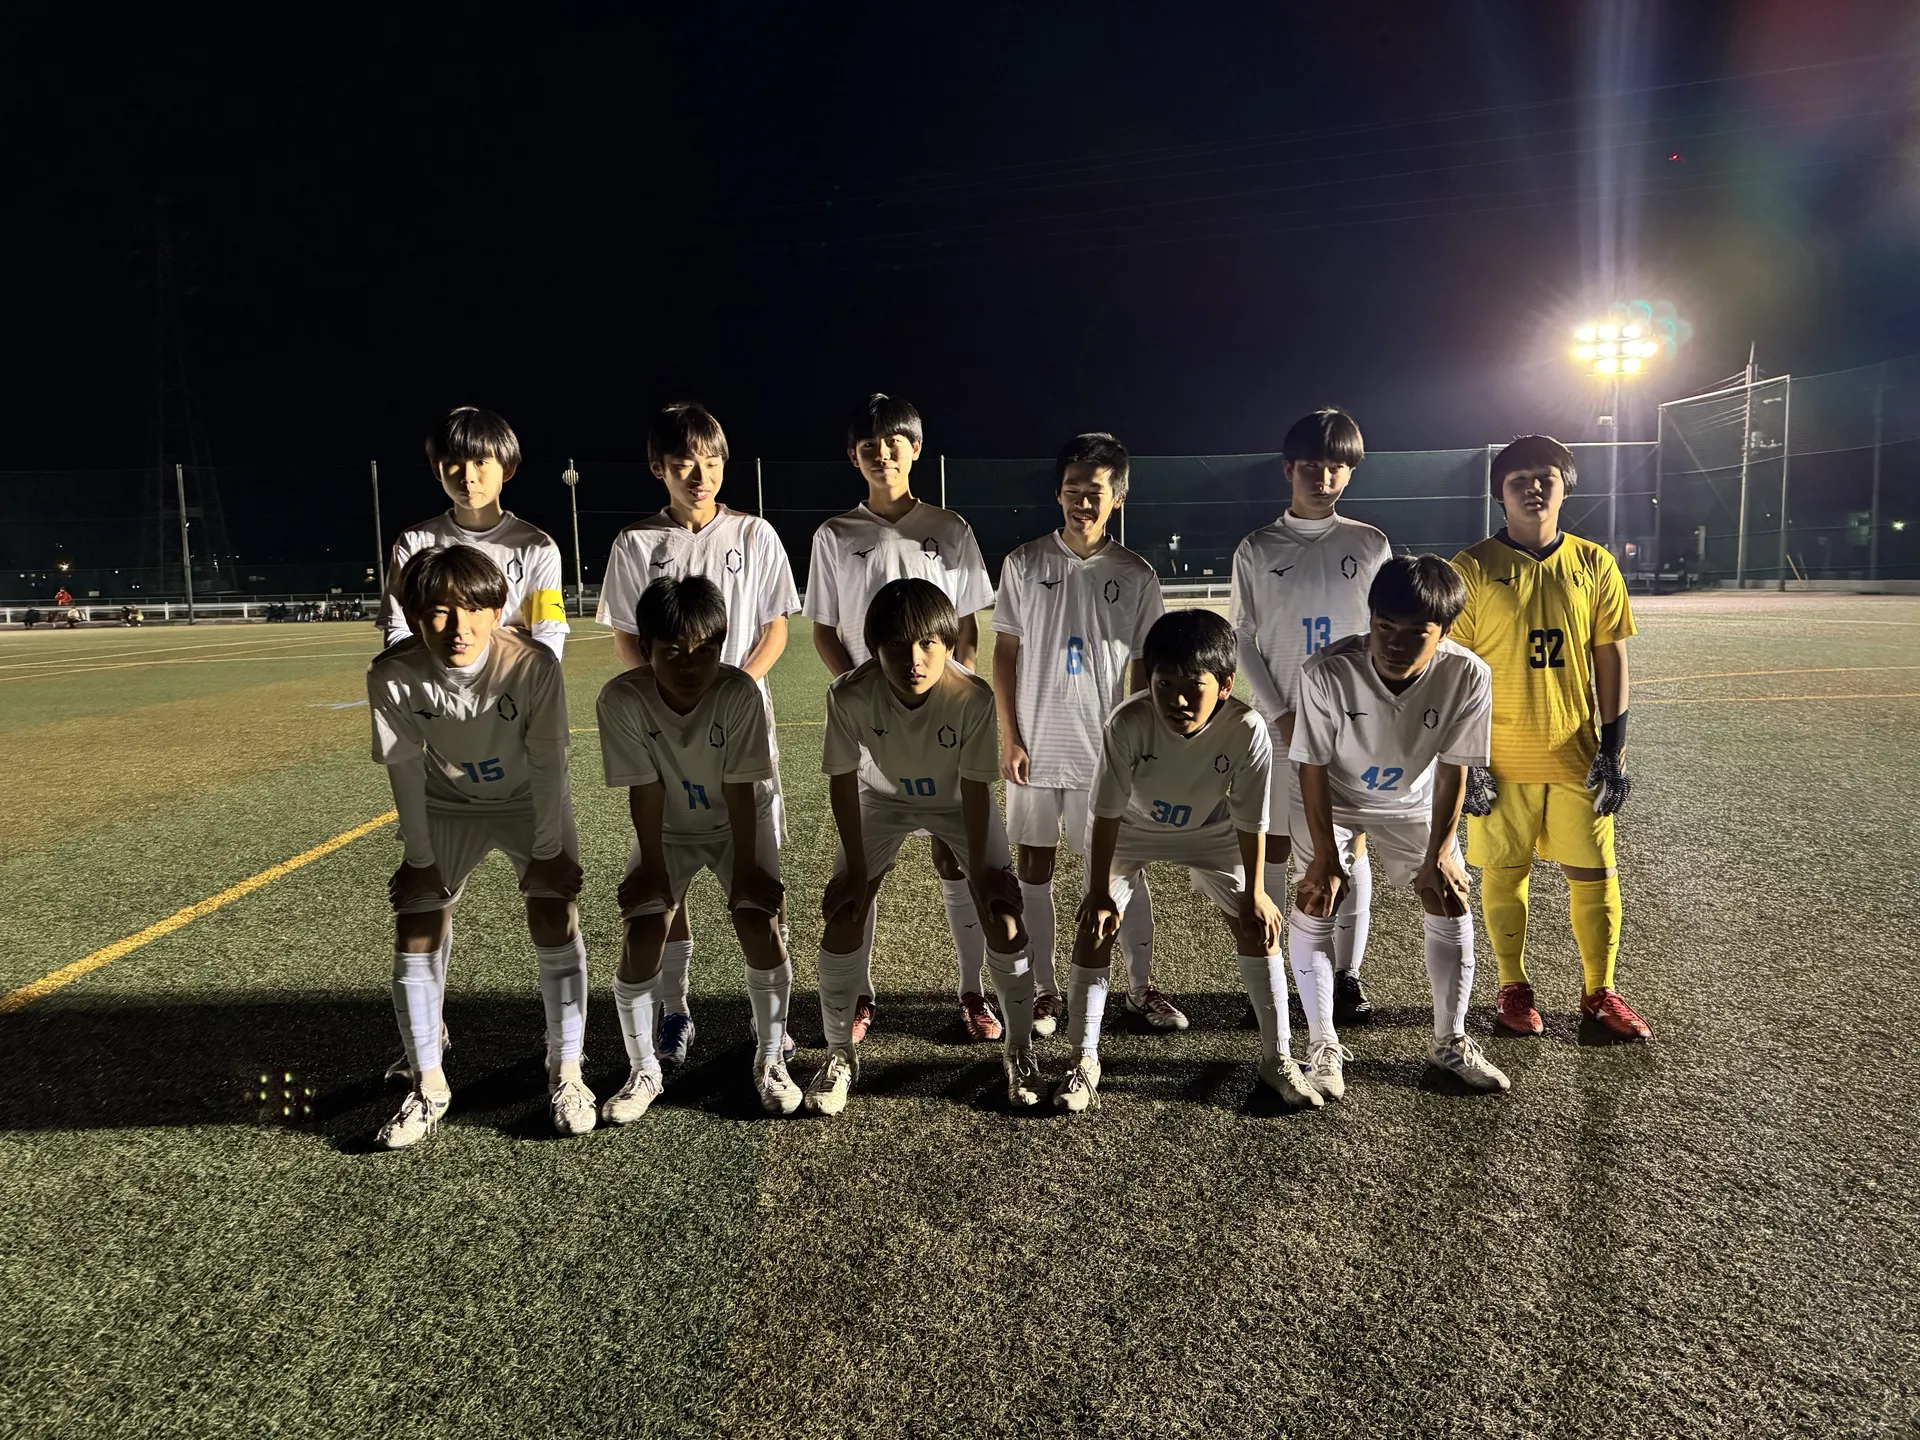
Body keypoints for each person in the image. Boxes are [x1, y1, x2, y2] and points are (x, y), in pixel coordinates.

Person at [366, 544, 593, 1148]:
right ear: (414, 617)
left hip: (527, 801)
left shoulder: (533, 664)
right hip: (447, 803)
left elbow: (549, 761)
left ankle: (566, 1070)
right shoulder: (391, 674)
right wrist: (419, 860)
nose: (458, 628)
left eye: (473, 610)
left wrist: (550, 849)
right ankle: (428, 1084)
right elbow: (404, 768)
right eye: (439, 613)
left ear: (498, 612)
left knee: (553, 913)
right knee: (416, 924)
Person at [595, 402, 801, 1066]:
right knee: (668, 873)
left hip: (741, 721)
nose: (699, 474)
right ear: (658, 467)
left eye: (711, 462)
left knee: (759, 873)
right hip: (666, 726)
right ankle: (674, 1008)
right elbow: (629, 636)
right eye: (684, 463)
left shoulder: (756, 534)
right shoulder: (635, 544)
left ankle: (773, 1025)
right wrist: (670, 695)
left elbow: (776, 627)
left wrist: (729, 688)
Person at [1059, 608, 1314, 1114]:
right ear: (1148, 680)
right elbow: (1105, 814)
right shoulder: (1127, 722)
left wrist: (1256, 893)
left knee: (1258, 925)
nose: (1177, 700)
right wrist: (1099, 892)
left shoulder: (1247, 728)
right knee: (1095, 927)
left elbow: (1251, 820)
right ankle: (1083, 1059)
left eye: (1193, 686)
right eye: (1164, 685)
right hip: (1131, 829)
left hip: (1211, 831)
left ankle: (1278, 1057)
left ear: (1225, 685)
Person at [803, 394, 999, 1045]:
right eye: (869, 445)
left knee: (958, 864)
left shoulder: (949, 528)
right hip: (873, 733)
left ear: (915, 449)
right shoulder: (835, 535)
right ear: (853, 456)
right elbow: (824, 630)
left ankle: (972, 990)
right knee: (861, 874)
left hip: (942, 727)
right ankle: (860, 995)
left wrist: (953, 700)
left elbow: (966, 628)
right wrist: (861, 701)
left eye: (894, 443)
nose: (882, 454)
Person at [808, 577, 1039, 1115]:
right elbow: (842, 781)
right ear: (873, 647)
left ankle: (1020, 1051)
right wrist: (855, 870)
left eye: (928, 643)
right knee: (844, 912)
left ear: (950, 643)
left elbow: (976, 790)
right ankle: (838, 1056)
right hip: (881, 799)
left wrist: (984, 872)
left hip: (956, 801)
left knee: (1004, 917)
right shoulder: (848, 693)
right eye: (896, 645)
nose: (913, 659)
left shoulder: (972, 696)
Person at [1449, 435, 1649, 1040]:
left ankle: (1599, 990)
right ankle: (1512, 985)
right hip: (1499, 758)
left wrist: (1613, 750)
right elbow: (1452, 669)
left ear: (1566, 487)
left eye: (1546, 478)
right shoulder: (1470, 568)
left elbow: (1610, 657)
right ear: (1499, 493)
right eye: (1519, 480)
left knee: (1595, 874)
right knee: (1504, 873)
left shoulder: (1594, 564)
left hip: (1576, 755)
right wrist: (1466, 758)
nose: (1533, 488)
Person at [1289, 555, 1509, 1097]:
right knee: (1316, 897)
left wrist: (1441, 853)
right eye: (1384, 626)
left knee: (1450, 894)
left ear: (1445, 632)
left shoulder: (1469, 674)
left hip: (1413, 801)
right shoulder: (1326, 671)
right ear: (1369, 617)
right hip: (1335, 797)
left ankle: (1450, 1040)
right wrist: (1325, 855)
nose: (1394, 642)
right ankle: (1322, 1045)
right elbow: (1311, 767)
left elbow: (1454, 768)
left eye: (1416, 632)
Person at [992, 431, 1177, 1039]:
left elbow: (1147, 664)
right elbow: (1005, 654)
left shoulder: (1136, 573)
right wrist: (1009, 738)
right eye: (1072, 490)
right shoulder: (1024, 563)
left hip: (1106, 752)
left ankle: (1140, 987)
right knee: (1034, 868)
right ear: (1058, 494)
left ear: (1117, 497)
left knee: (1122, 870)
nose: (1082, 502)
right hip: (1037, 748)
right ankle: (1045, 992)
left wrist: (1142, 743)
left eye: (1095, 492)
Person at [596, 576, 801, 1120]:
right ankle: (644, 1069)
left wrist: (749, 870)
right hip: (667, 827)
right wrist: (653, 871)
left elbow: (740, 789)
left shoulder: (738, 692)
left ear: (722, 646)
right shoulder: (621, 698)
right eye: (673, 652)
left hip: (738, 822)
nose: (690, 666)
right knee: (644, 926)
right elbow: (646, 789)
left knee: (757, 918)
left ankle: (770, 1056)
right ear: (645, 649)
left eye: (706, 651)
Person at [1229, 407, 1393, 1024]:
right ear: (1288, 469)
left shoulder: (1370, 543)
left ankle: (1346, 976)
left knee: (1347, 845)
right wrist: (1279, 714)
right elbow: (1242, 637)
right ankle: (1276, 965)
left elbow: (1384, 633)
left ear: (1350, 473)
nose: (1324, 479)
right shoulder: (1257, 547)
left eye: (1337, 468)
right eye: (1312, 467)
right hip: (1280, 726)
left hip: (1353, 723)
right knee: (1273, 845)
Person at [380, 406, 569, 659]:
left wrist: (442, 642)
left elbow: (549, 642)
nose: (468, 477)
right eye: (453, 463)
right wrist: (512, 635)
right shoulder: (414, 544)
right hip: (434, 682)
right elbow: (397, 636)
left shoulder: (537, 547)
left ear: (507, 468)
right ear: (437, 470)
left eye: (480, 462)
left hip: (510, 680)